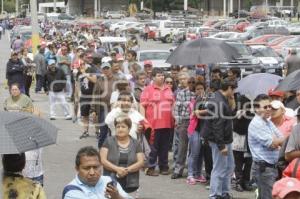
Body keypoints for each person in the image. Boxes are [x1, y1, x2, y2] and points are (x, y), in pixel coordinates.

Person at [203, 80, 237, 199]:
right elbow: (217, 126)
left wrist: (232, 100)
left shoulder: (221, 99)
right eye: (233, 89)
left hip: (224, 139)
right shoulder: (219, 101)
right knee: (219, 168)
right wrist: (221, 146)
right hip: (220, 140)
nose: (234, 92)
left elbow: (229, 114)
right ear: (229, 88)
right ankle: (215, 195)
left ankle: (224, 192)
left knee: (229, 166)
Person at [248, 94, 285, 199]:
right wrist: (275, 141)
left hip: (270, 167)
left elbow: (281, 138)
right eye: (265, 107)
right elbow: (273, 144)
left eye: (269, 106)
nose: (269, 109)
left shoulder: (267, 122)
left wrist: (276, 141)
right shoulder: (257, 123)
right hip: (264, 169)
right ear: (256, 108)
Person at [141, 68, 174, 176]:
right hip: (152, 124)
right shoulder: (148, 90)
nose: (162, 77)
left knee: (165, 147)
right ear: (153, 77)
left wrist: (175, 118)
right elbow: (142, 105)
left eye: (162, 75)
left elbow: (173, 105)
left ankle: (163, 166)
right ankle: (150, 168)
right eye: (159, 75)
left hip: (167, 123)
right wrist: (143, 120)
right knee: (153, 147)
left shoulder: (168, 89)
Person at [63, 146, 132, 199]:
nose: (92, 173)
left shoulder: (109, 181)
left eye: (96, 167)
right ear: (77, 169)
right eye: (86, 168)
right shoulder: (71, 191)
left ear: (101, 166)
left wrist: (118, 197)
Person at [100, 115, 144, 194]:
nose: (120, 129)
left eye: (123, 127)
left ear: (129, 128)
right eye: (118, 127)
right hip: (110, 180)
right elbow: (103, 160)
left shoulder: (136, 143)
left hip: (131, 182)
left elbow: (141, 162)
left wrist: (126, 170)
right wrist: (117, 169)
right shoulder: (108, 141)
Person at [172, 72, 195, 179]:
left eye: (185, 78)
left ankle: (193, 170)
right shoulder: (181, 93)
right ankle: (178, 169)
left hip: (196, 121)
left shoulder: (196, 91)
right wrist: (178, 121)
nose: (183, 81)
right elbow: (177, 109)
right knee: (182, 146)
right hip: (184, 121)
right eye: (180, 79)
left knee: (195, 147)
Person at [91, 62, 117, 148]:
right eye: (104, 69)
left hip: (115, 109)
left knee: (114, 131)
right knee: (103, 131)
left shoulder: (117, 80)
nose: (106, 70)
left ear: (110, 69)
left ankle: (113, 151)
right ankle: (101, 149)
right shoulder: (99, 81)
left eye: (107, 68)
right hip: (103, 109)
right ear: (102, 70)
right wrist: (93, 110)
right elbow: (95, 96)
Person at [232, 95, 254, 192]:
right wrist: (239, 116)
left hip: (249, 142)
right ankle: (238, 183)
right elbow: (235, 127)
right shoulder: (235, 113)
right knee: (238, 163)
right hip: (238, 141)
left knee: (249, 162)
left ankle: (246, 182)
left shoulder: (252, 114)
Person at [77, 54, 97, 138]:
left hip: (92, 95)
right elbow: (77, 84)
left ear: (84, 64)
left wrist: (85, 74)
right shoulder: (79, 73)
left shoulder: (91, 70)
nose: (80, 67)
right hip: (83, 95)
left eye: (81, 65)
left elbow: (95, 80)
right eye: (78, 66)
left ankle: (97, 131)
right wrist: (77, 96)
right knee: (84, 114)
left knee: (94, 114)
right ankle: (86, 131)